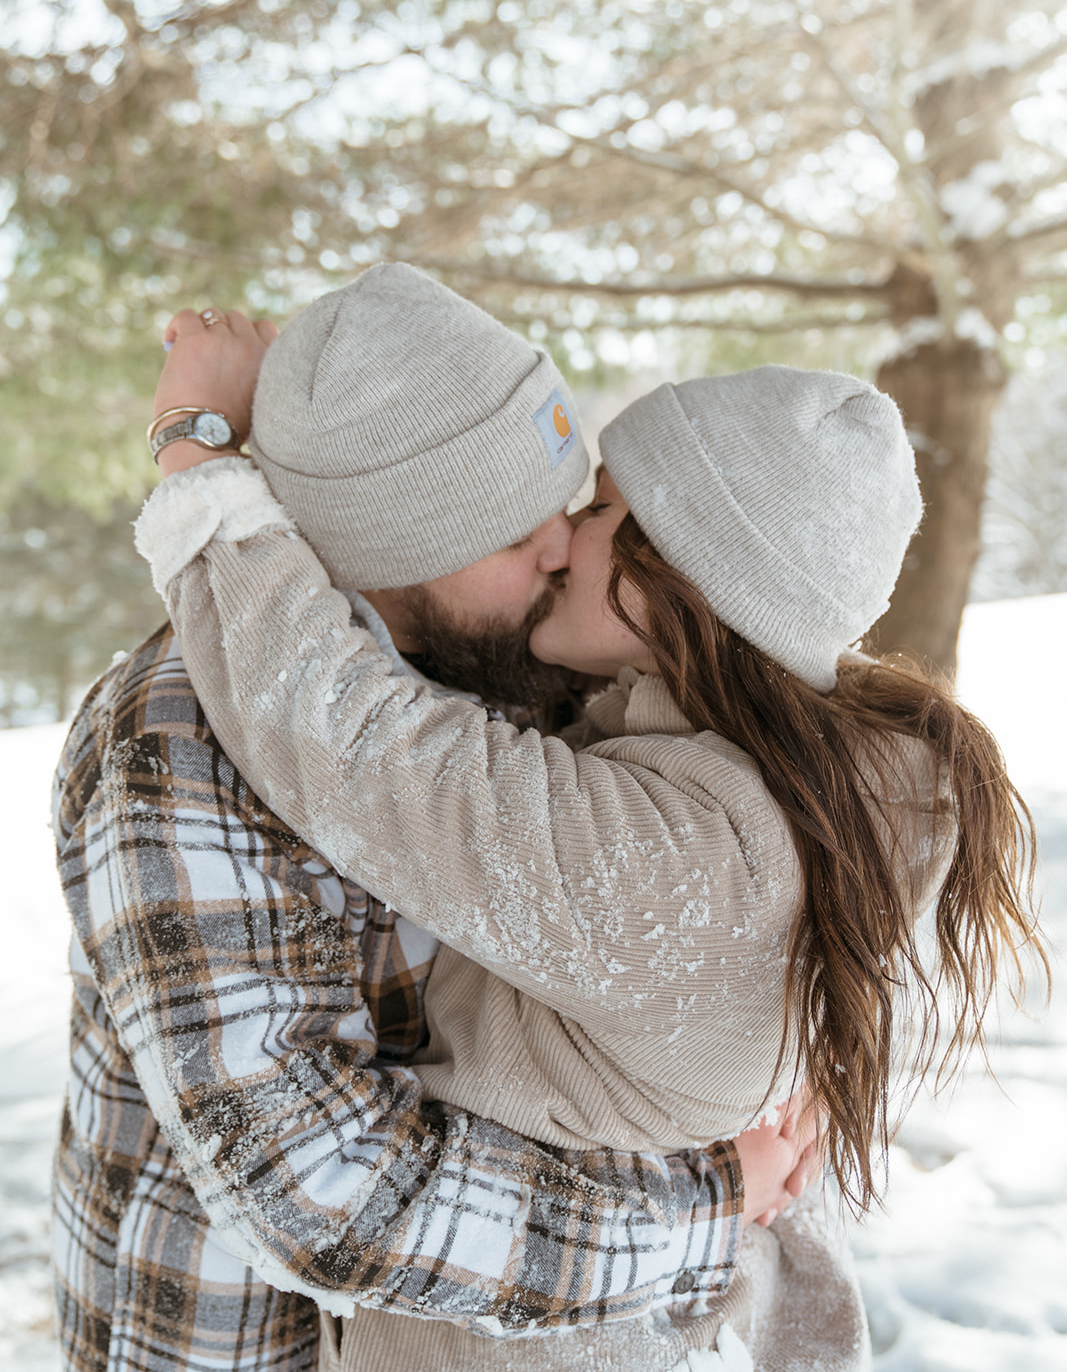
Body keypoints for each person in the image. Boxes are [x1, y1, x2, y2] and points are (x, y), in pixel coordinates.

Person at [133, 276, 1048, 1371]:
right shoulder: (787, 777)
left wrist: (199, 457)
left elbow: (359, 743)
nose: (565, 543)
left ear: (687, 585)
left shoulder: (695, 859)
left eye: (597, 506)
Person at [52, 265, 814, 1372]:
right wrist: (699, 1212)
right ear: (385, 547)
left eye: (565, 504)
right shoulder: (174, 742)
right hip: (241, 1342)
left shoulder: (523, 660)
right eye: (514, 533)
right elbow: (315, 1191)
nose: (566, 551)